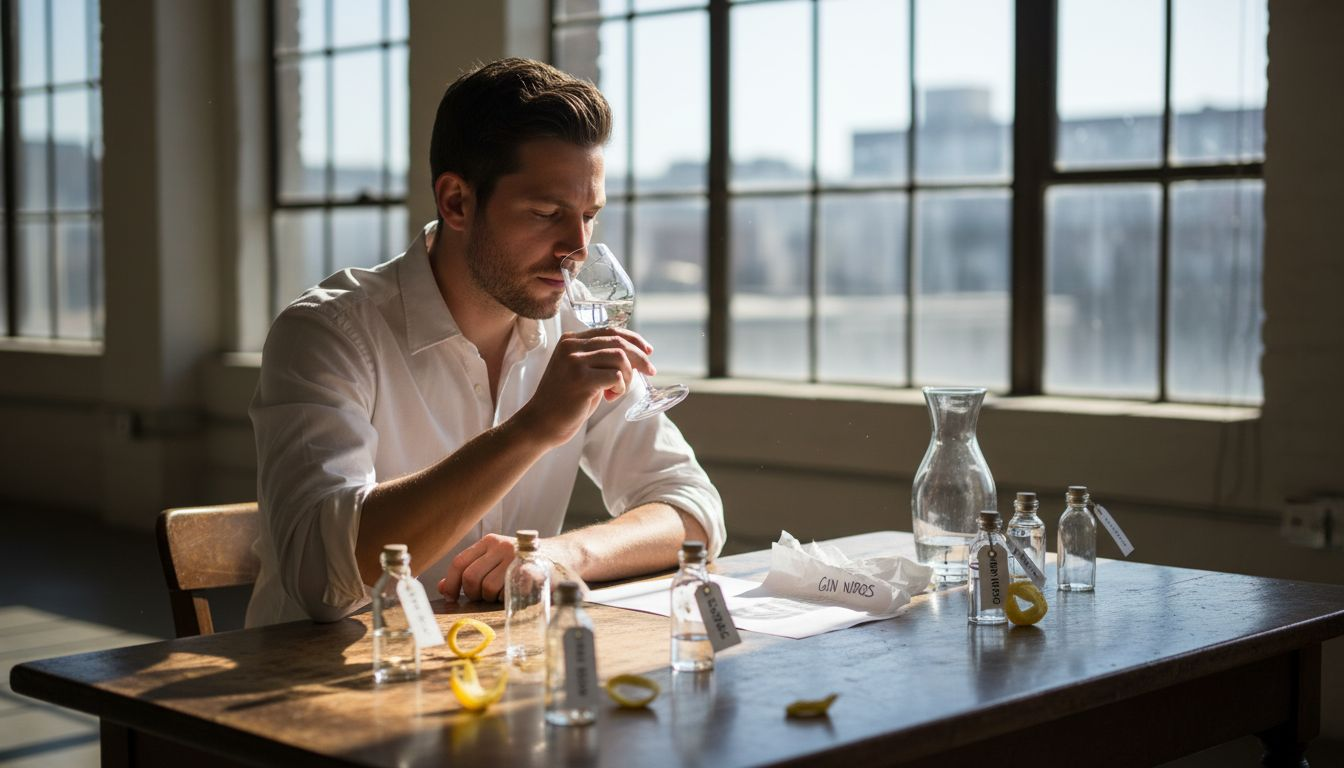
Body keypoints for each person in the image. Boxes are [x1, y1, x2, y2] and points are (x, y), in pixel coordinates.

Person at [245, 58, 725, 626]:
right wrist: (531, 429)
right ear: (456, 203)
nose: (577, 247)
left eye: (589, 216)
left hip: (498, 671)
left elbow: (694, 512)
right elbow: (320, 580)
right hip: (318, 685)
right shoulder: (327, 334)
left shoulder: (575, 331)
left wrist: (558, 555)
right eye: (547, 213)